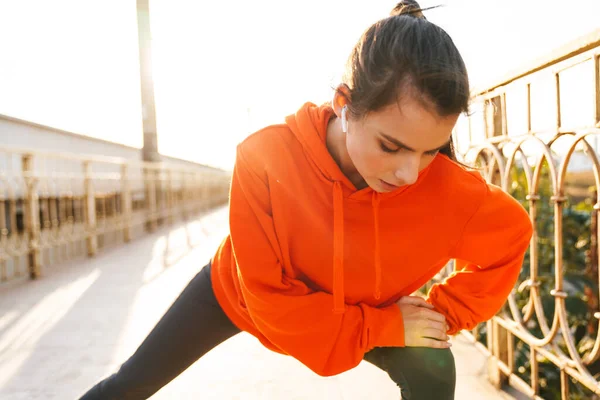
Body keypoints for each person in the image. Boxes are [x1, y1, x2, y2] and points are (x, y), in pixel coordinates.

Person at [79, 1, 533, 399]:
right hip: (240, 295)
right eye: (391, 146)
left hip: (359, 316)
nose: (409, 173)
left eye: (430, 150)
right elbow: (273, 307)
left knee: (434, 367)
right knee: (129, 385)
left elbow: (512, 235)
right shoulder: (264, 157)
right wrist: (380, 327)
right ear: (344, 103)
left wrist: (436, 316)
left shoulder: (450, 190)